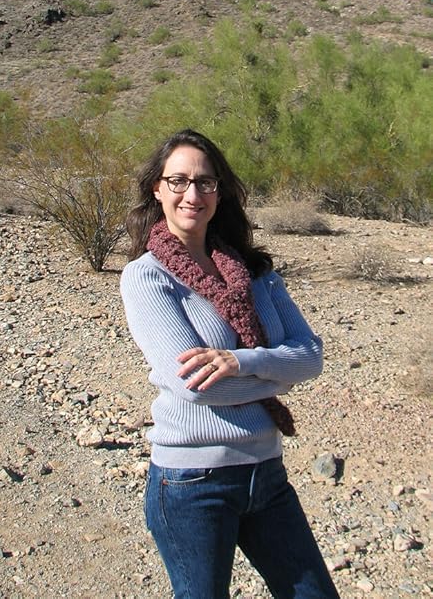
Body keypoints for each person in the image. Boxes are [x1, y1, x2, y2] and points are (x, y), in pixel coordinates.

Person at [120, 129, 340, 599]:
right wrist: (278, 373)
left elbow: (311, 356)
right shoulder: (147, 277)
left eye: (205, 182)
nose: (192, 194)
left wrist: (241, 362)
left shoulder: (255, 273)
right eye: (178, 181)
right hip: (192, 483)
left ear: (220, 192)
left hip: (267, 474)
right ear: (157, 189)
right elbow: (199, 386)